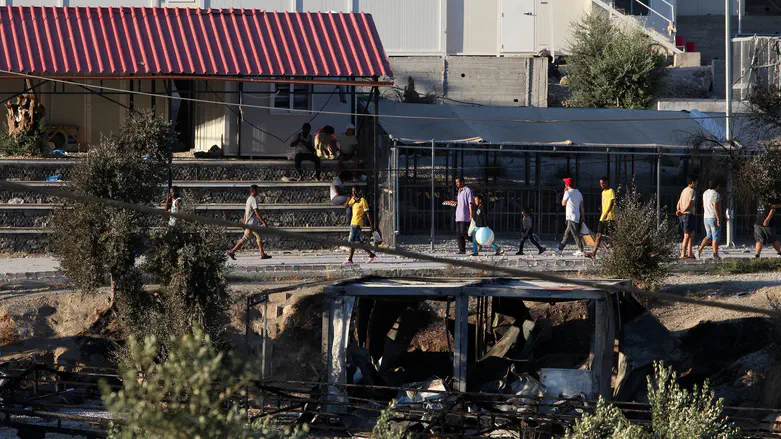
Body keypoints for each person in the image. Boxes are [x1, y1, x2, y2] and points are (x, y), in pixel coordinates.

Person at [227, 185, 271, 260]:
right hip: (251, 224)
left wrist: (244, 222)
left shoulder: (248, 199)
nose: (258, 192)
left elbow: (246, 212)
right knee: (245, 238)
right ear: (254, 191)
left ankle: (262, 254)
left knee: (259, 237)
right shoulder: (253, 199)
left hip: (250, 223)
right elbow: (256, 211)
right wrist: (263, 221)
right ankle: (232, 251)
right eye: (257, 190)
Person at [343, 187, 377, 265]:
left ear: (359, 192)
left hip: (357, 223)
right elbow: (345, 206)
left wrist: (371, 224)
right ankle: (371, 255)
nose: (354, 193)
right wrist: (349, 199)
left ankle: (350, 259)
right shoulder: (353, 200)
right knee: (358, 242)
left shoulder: (363, 201)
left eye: (355, 191)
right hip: (353, 223)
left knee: (351, 241)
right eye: (352, 191)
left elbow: (367, 214)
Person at [554, 178, 584, 257]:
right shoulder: (578, 193)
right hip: (576, 216)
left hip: (570, 216)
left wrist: (565, 192)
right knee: (567, 233)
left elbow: (563, 203)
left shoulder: (567, 193)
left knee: (575, 234)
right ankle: (560, 249)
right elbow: (581, 206)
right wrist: (582, 215)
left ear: (567, 185)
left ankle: (581, 250)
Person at [587, 177, 615, 259]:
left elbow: (612, 203)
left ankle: (618, 252)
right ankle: (593, 253)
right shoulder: (603, 192)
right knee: (598, 235)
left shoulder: (611, 191)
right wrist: (603, 211)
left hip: (610, 217)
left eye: (603, 183)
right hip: (602, 217)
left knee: (613, 236)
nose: (601, 185)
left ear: (606, 182)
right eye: (600, 183)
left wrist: (606, 213)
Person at [697, 180, 722, 260]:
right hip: (713, 217)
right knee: (715, 237)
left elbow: (704, 205)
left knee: (708, 235)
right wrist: (718, 218)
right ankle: (715, 254)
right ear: (717, 186)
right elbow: (715, 207)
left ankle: (699, 249)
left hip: (706, 217)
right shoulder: (716, 194)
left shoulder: (705, 193)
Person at [676, 176, 698, 259]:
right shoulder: (692, 191)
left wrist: (678, 210)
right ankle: (683, 254)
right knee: (687, 235)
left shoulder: (684, 190)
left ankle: (690, 253)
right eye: (696, 182)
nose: (697, 183)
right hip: (688, 214)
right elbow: (689, 204)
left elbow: (679, 202)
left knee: (691, 234)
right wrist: (683, 211)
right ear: (692, 182)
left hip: (683, 214)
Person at [454, 177, 474, 255]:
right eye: (456, 182)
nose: (457, 184)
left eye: (458, 182)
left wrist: (471, 214)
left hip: (465, 215)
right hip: (458, 215)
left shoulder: (468, 191)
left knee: (464, 232)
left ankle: (476, 242)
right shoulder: (459, 191)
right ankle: (462, 249)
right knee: (459, 233)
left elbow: (470, 203)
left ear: (462, 182)